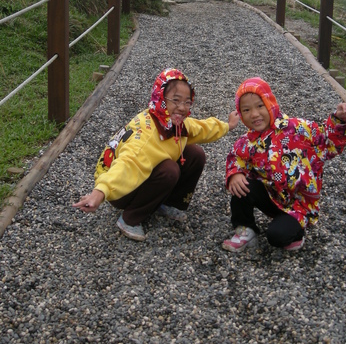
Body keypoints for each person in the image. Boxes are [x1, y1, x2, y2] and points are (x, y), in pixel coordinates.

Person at [74, 68, 239, 241]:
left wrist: (227, 125)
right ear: (160, 97)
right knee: (170, 170)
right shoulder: (146, 135)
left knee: (195, 153)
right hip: (119, 189)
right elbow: (127, 164)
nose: (182, 108)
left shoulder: (174, 123)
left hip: (130, 177)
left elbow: (202, 128)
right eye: (175, 100)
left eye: (187, 102)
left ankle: (169, 204)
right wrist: (100, 192)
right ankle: (130, 218)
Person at [222, 77, 346, 253]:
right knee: (240, 184)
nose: (254, 114)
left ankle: (296, 229)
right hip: (272, 197)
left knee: (277, 237)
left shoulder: (297, 128)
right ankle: (245, 229)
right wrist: (235, 173)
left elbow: (327, 141)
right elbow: (236, 158)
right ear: (240, 114)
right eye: (246, 110)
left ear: (270, 104)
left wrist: (339, 120)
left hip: (298, 204)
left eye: (260, 106)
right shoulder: (246, 142)